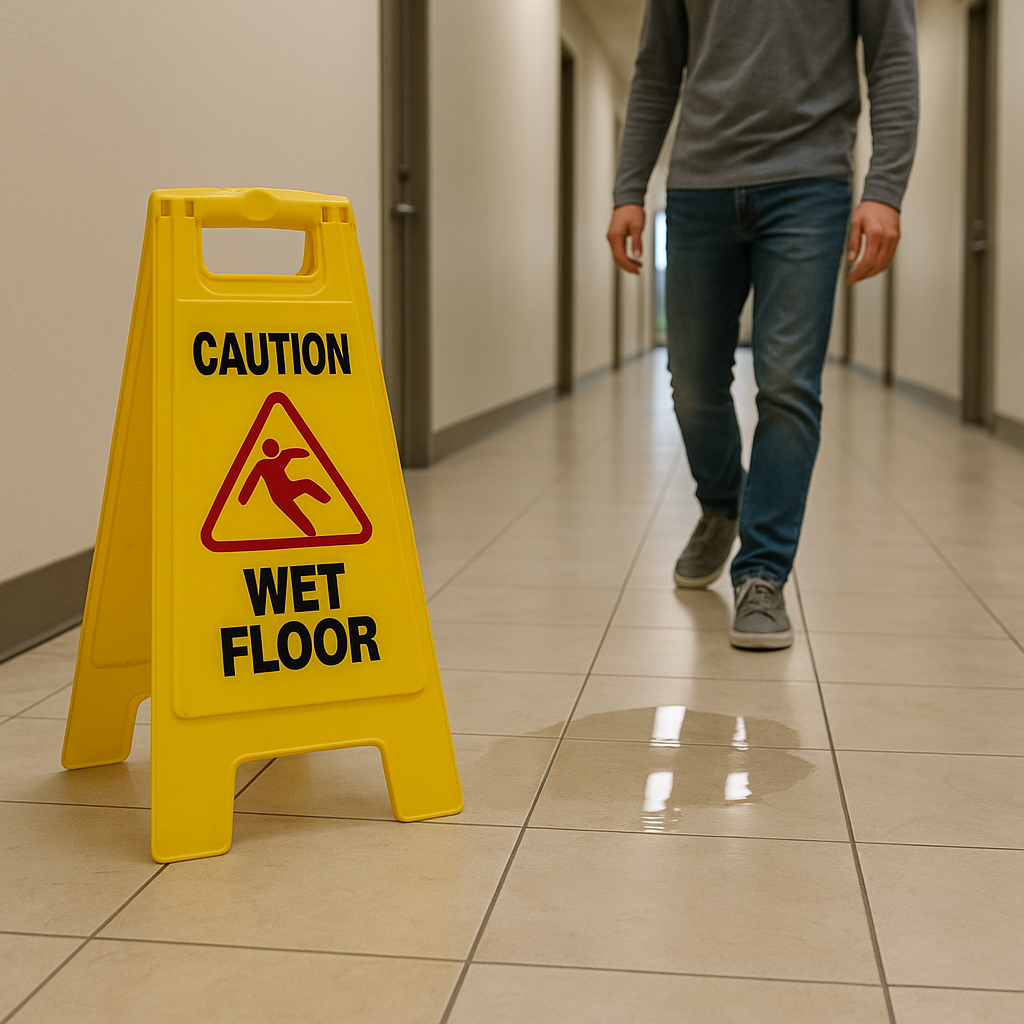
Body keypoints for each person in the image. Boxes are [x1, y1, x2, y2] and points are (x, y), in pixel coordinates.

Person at [607, 0, 918, 650]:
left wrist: (884, 188)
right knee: (691, 383)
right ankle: (723, 502)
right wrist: (629, 188)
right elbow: (657, 69)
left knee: (787, 384)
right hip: (699, 184)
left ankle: (763, 573)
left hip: (809, 185)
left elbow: (891, 61)